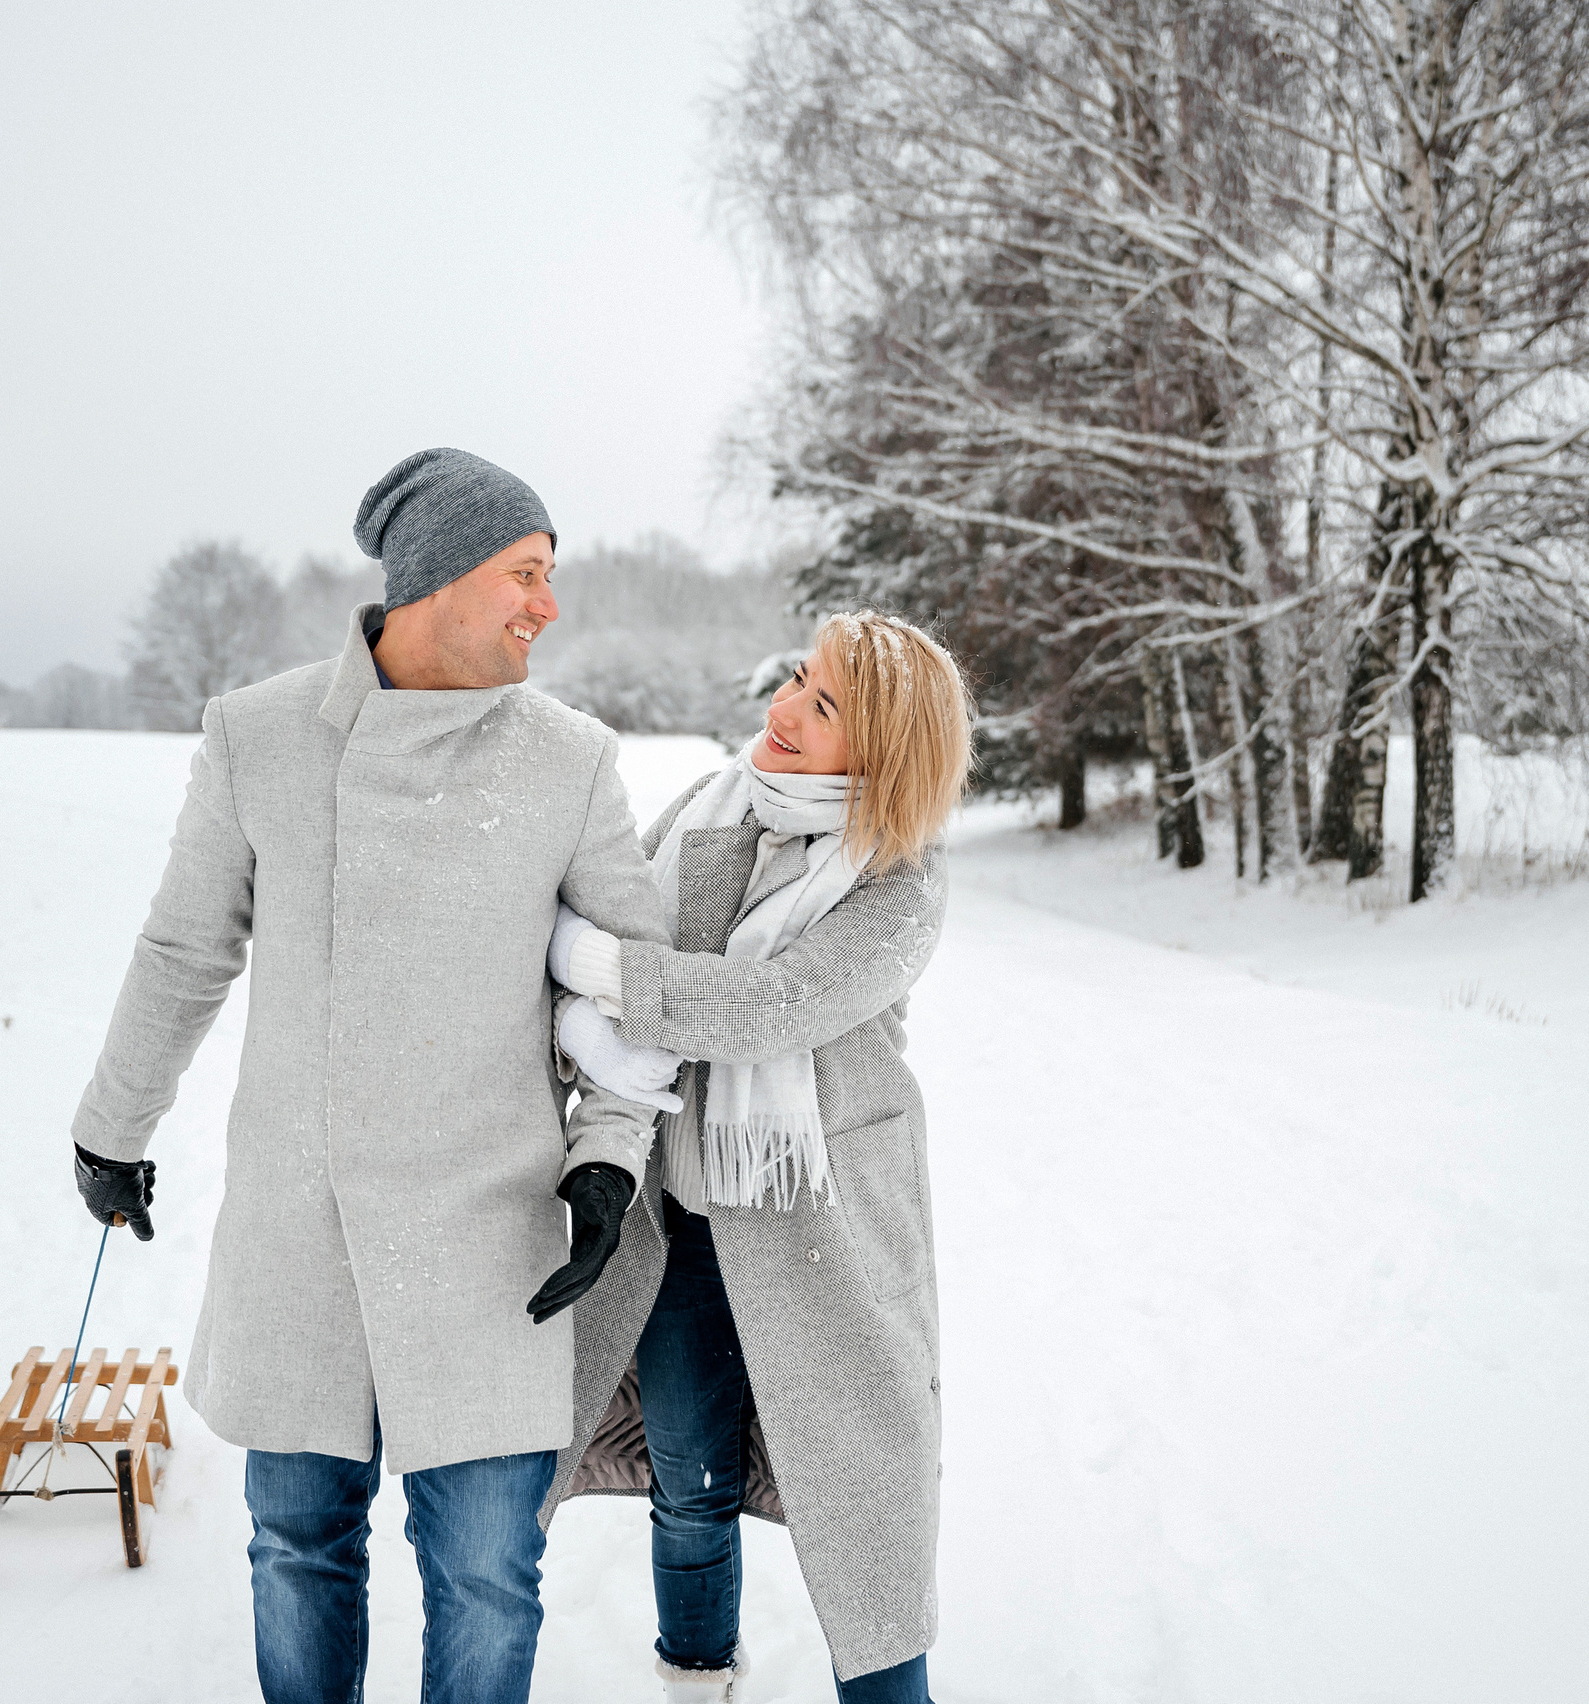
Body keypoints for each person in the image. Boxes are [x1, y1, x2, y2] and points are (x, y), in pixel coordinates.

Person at [68, 447, 675, 1704]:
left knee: (488, 1575)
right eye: (525, 573)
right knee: (297, 1549)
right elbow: (186, 947)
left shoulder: (568, 759)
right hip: (304, 1233)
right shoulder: (261, 737)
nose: (545, 607)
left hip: (493, 1238)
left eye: (547, 577)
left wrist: (608, 1161)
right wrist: (112, 1126)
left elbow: (633, 990)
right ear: (436, 578)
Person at [538, 612, 972, 1704]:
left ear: (879, 751)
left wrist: (597, 967)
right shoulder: (706, 810)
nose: (781, 710)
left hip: (825, 1237)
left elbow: (770, 1007)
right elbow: (614, 909)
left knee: (865, 1511)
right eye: (796, 679)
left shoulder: (898, 883)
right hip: (682, 1222)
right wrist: (584, 990)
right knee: (687, 1479)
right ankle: (695, 1681)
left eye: (823, 705)